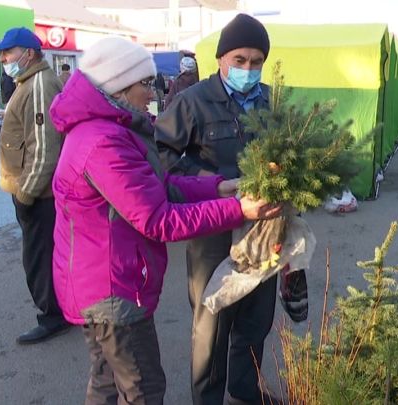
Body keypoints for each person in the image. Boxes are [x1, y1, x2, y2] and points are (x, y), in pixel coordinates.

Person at [48, 36, 280, 404]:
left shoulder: (112, 130)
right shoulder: (103, 142)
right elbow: (157, 219)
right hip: (111, 289)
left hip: (105, 281)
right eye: (145, 83)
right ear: (120, 87)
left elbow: (161, 185)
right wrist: (240, 209)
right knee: (143, 387)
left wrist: (221, 187)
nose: (151, 91)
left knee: (108, 382)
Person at [155, 14, 281, 405]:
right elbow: (162, 156)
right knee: (212, 321)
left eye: (256, 61)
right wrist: (211, 182)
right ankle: (207, 398)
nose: (247, 69)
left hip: (263, 231)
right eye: (239, 60)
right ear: (220, 59)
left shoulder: (270, 101)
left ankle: (245, 388)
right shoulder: (192, 102)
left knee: (256, 318)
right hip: (213, 232)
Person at [0, 27, 69, 345]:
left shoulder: (38, 84)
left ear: (29, 54)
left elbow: (44, 148)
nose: (4, 58)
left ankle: (52, 316)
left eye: (8, 52)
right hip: (34, 191)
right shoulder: (29, 82)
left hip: (37, 193)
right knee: (43, 254)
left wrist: (25, 193)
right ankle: (57, 311)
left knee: (38, 257)